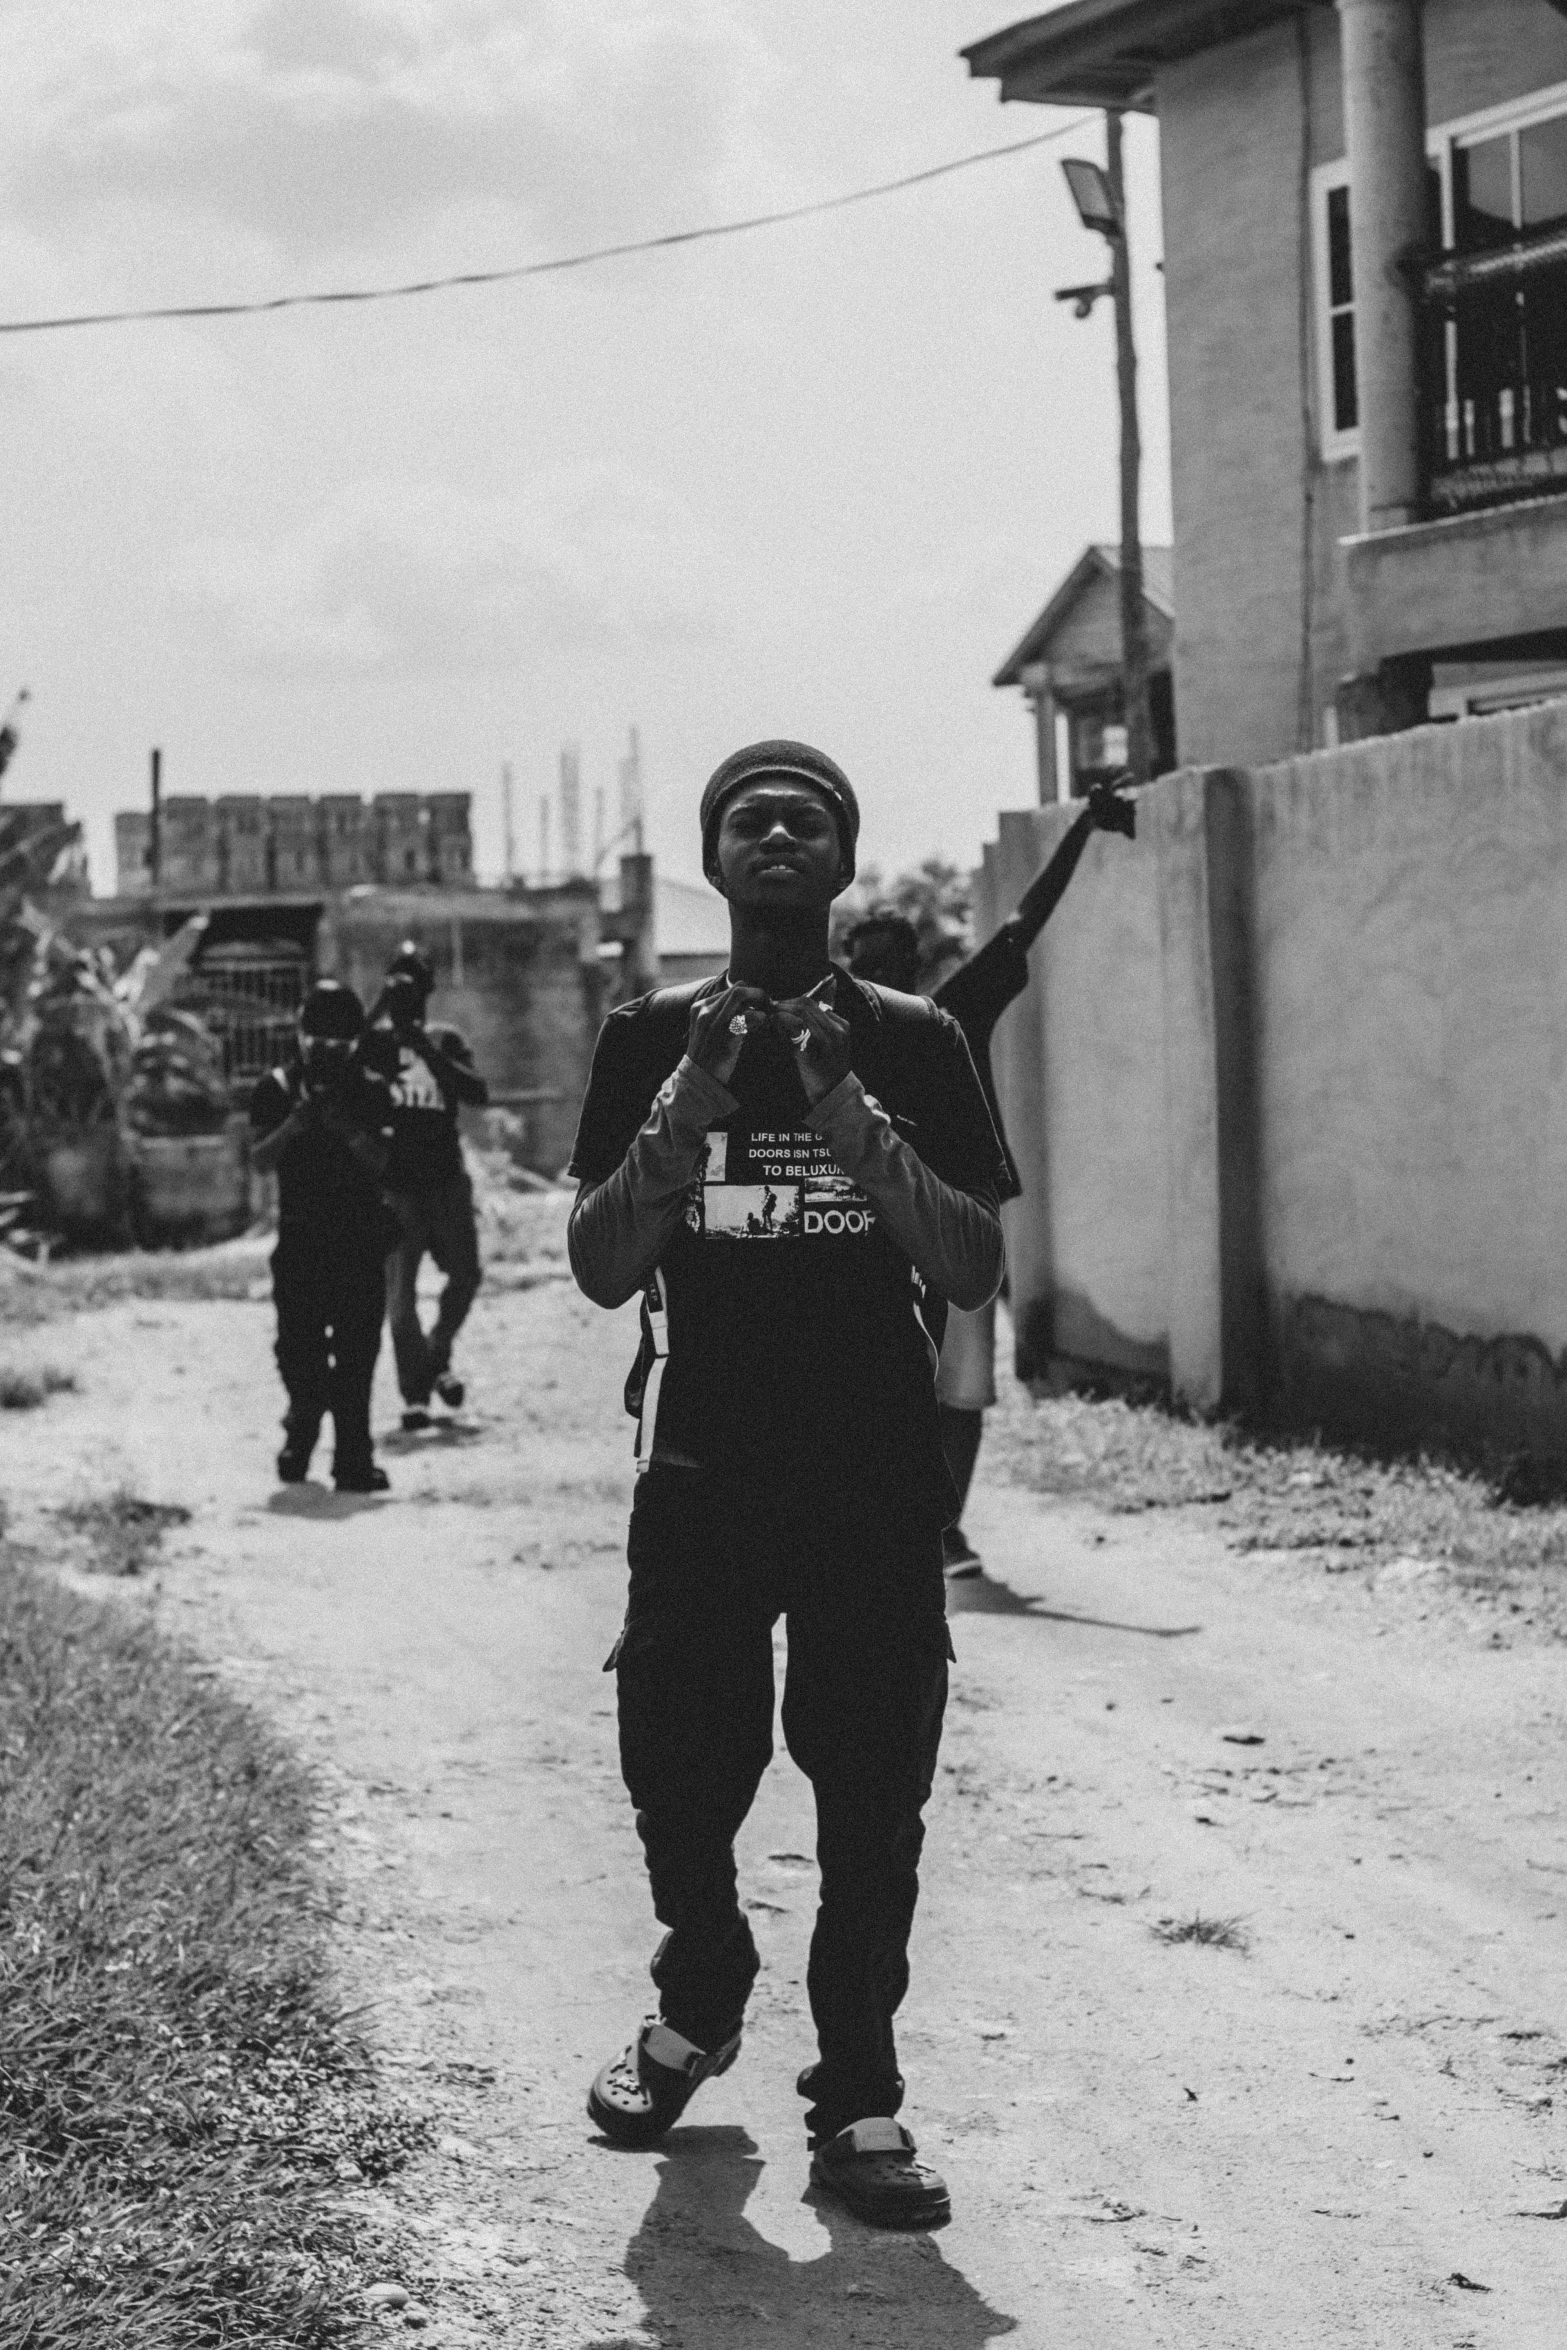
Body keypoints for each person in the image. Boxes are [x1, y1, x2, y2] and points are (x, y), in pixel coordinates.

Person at [566, 740, 1009, 2230]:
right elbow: (599, 1264)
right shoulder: (647, 1034)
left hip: (869, 1476)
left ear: (839, 859)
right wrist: (693, 1091)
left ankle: (861, 2097)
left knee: (873, 1788)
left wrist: (842, 1112)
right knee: (678, 1768)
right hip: (701, 1469)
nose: (772, 831)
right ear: (714, 857)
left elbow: (963, 1264)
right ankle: (701, 1989)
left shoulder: (913, 1038)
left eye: (802, 816)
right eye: (746, 816)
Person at [844, 778, 1134, 1577]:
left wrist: (1080, 830)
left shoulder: (950, 1016)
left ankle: (937, 1530)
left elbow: (1023, 924)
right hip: (871, 1226)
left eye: (893, 968)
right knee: (896, 1384)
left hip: (957, 1223)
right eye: (872, 971)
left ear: (914, 967)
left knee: (959, 1386)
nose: (885, 984)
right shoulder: (832, 1033)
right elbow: (1020, 925)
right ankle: (904, 1527)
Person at [249, 980, 395, 1494]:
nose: (327, 1050)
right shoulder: (278, 1089)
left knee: (357, 1359)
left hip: (358, 1244)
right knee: (300, 1354)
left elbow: (383, 1164)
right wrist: (296, 1124)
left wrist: (347, 1129)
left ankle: (354, 1458)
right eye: (319, 1038)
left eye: (339, 1040)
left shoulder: (372, 1089)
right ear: (301, 1034)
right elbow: (259, 1161)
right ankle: (302, 1430)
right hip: (302, 1245)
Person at [360, 943, 489, 1428]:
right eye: (399, 988)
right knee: (400, 1296)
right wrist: (379, 1009)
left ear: (429, 993)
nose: (407, 998)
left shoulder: (446, 1039)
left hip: (446, 1180)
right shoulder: (376, 1045)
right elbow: (345, 1061)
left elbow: (478, 1093)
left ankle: (435, 1356)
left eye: (414, 988)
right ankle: (415, 1396)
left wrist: (426, 1047)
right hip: (395, 1186)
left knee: (466, 1275)